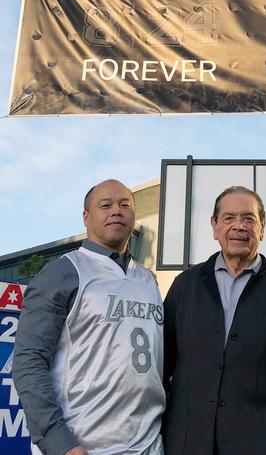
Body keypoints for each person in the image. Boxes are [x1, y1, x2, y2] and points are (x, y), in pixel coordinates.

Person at [13, 179, 165, 455]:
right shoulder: (63, 273)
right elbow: (28, 360)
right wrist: (59, 442)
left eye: (125, 204)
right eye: (105, 205)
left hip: (149, 445)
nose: (116, 211)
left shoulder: (148, 280)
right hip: (85, 446)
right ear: (86, 217)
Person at [162, 186, 266, 455]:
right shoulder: (185, 287)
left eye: (248, 218)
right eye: (229, 218)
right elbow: (160, 371)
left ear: (262, 226)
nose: (239, 226)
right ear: (214, 226)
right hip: (185, 445)